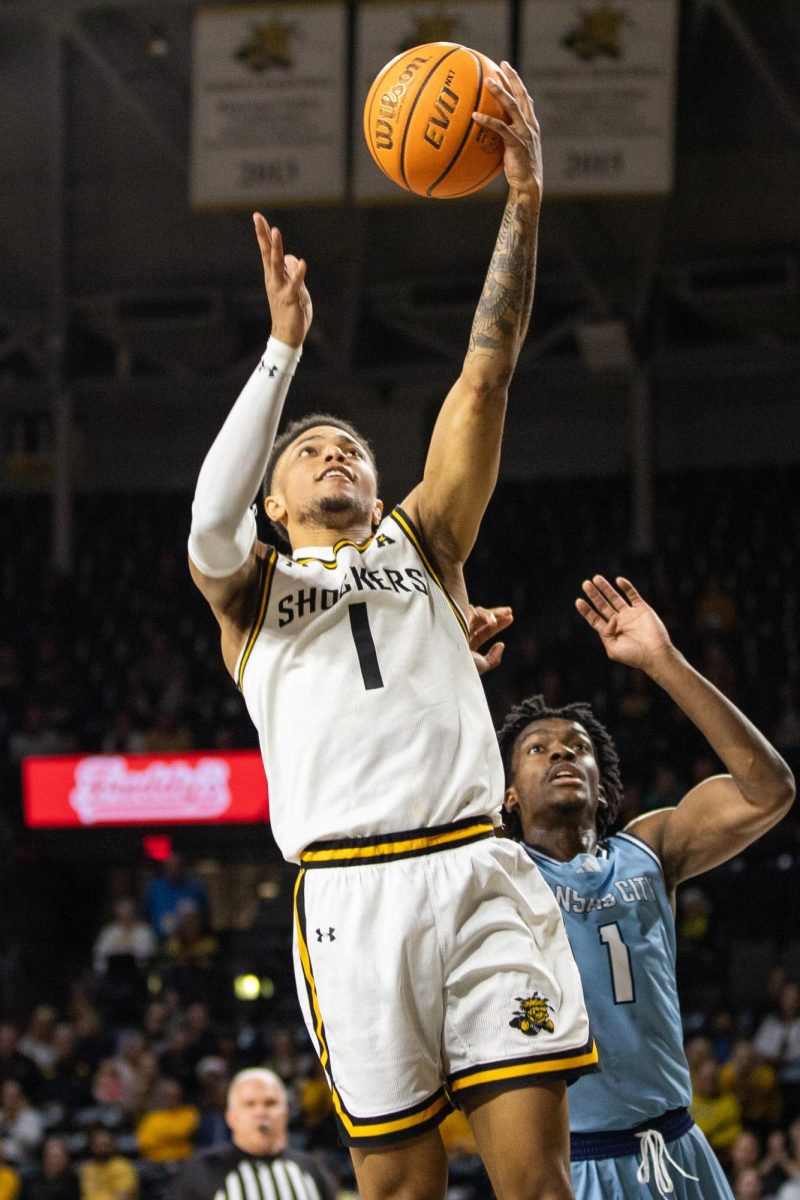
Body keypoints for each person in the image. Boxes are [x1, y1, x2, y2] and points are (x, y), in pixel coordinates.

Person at [188, 62, 596, 1200]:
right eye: (308, 451)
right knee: (401, 1188)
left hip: (473, 868)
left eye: (352, 449)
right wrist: (283, 351)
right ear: (277, 503)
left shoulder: (424, 546)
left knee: (536, 1182)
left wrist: (521, 196)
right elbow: (205, 518)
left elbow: (484, 374)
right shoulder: (249, 594)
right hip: (349, 896)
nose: (336, 453)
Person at [492, 575, 795, 1200]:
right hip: (570, 1165)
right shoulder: (493, 870)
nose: (561, 754)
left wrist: (664, 662)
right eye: (537, 748)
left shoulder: (648, 849)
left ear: (604, 787)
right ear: (508, 794)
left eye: (578, 747)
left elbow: (771, 791)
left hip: (679, 1147)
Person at [169, 1069, 334, 1200]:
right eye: (250, 1104)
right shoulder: (204, 1168)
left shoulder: (310, 1169)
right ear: (231, 1117)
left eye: (270, 1103)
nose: (261, 1112)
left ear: (285, 1113)